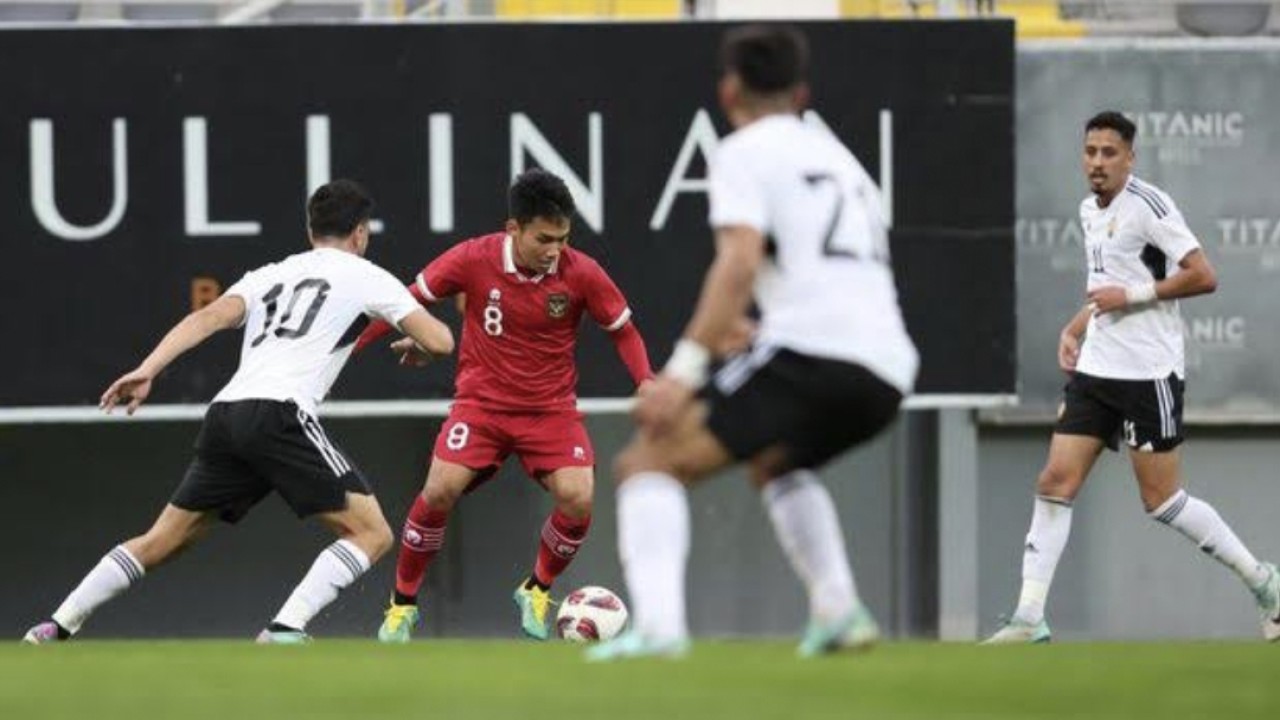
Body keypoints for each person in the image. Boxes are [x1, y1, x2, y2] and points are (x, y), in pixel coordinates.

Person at [585, 24, 919, 661]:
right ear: (801, 92)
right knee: (777, 462)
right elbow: (835, 274)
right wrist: (766, 329)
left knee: (648, 462)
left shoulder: (743, 151)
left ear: (728, 88)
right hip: (887, 367)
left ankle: (657, 632)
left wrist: (680, 376)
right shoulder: (840, 159)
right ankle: (839, 611)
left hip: (814, 353)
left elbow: (737, 264)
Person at [22, 180, 455, 644]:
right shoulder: (366, 274)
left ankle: (56, 624)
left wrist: (148, 369)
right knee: (372, 533)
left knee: (161, 540)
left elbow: (204, 318)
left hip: (227, 415)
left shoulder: (268, 274)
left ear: (311, 231)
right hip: (281, 414)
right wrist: (423, 349)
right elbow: (442, 340)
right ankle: (284, 628)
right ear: (361, 234)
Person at [984, 111, 1279, 644]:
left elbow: (1204, 275)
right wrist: (1077, 326)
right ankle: (1029, 616)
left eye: (1109, 153)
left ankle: (1264, 582)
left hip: (1148, 372)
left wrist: (1134, 297)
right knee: (1055, 482)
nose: (1097, 162)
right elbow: (1107, 283)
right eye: (1090, 151)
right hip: (1098, 367)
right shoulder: (1087, 209)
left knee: (1162, 501)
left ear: (1130, 157)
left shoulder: (1150, 206)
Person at [356, 169, 653, 643]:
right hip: (481, 406)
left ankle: (536, 588)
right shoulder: (473, 258)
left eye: (563, 238)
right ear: (513, 229)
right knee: (439, 490)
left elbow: (624, 330)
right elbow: (400, 302)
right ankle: (402, 606)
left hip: (550, 410)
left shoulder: (581, 272)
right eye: (544, 239)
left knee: (578, 496)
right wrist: (347, 354)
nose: (555, 249)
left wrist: (645, 380)